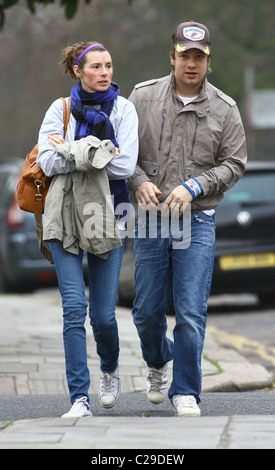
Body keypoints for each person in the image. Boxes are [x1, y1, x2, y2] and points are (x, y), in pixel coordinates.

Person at [128, 21, 247, 416]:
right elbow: (121, 154)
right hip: (150, 219)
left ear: (208, 61)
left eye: (199, 57)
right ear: (172, 57)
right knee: (146, 311)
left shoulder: (225, 109)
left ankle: (186, 391)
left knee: (191, 312)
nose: (191, 63)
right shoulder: (142, 98)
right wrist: (140, 181)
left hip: (196, 221)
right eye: (185, 56)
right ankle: (159, 359)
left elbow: (235, 162)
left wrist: (195, 186)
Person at [36, 42, 138, 417]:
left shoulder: (124, 109)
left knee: (103, 317)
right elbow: (46, 160)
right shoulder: (59, 109)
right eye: (96, 66)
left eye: (109, 65)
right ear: (78, 71)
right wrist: (94, 152)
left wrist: (71, 150)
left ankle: (109, 369)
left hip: (107, 215)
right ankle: (79, 398)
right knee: (73, 308)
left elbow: (124, 165)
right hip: (63, 215)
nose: (105, 72)